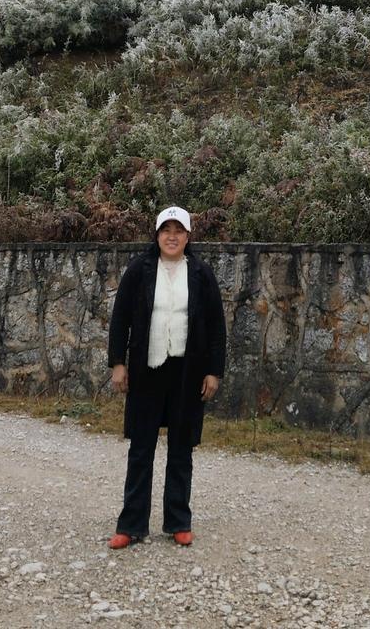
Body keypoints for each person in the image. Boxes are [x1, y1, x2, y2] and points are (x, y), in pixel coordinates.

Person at [106, 205, 227, 548]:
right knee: (141, 448)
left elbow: (217, 328)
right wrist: (118, 363)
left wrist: (213, 372)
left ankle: (178, 521)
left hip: (187, 373)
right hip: (147, 371)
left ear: (188, 236)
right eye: (165, 230)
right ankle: (131, 525)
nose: (171, 236)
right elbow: (120, 320)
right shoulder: (139, 271)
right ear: (157, 235)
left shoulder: (201, 274)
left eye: (179, 230)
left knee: (181, 448)